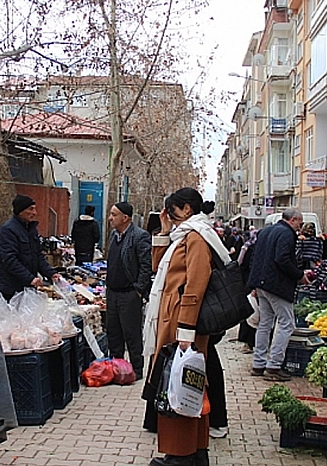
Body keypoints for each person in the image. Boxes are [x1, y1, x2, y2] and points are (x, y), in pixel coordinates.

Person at [143, 188, 229, 466]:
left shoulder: (197, 237)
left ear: (188, 209)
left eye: (172, 210)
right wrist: (164, 230)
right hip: (173, 318)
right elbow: (160, 269)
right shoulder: (183, 235)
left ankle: (182, 454)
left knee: (181, 386)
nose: (168, 215)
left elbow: (196, 284)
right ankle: (191, 451)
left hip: (181, 322)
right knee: (183, 384)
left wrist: (186, 330)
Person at [247, 208, 308, 382]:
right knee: (286, 323)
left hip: (262, 283)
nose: (300, 228)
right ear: (294, 219)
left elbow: (255, 257)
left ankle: (258, 363)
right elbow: (282, 259)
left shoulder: (266, 231)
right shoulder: (287, 234)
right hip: (277, 285)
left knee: (264, 323)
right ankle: (274, 366)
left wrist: (254, 283)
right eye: (300, 223)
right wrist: (299, 275)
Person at [105, 202, 152, 380]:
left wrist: (138, 290)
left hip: (129, 293)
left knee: (131, 333)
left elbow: (146, 266)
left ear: (125, 218)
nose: (110, 218)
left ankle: (137, 369)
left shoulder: (139, 236)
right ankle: (117, 368)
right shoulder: (113, 236)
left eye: (114, 215)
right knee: (113, 331)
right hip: (112, 292)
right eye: (110, 214)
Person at [0, 194, 61, 300]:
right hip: (12, 289)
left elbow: (38, 256)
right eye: (31, 209)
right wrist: (30, 278)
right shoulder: (8, 230)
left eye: (35, 209)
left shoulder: (31, 230)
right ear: (20, 211)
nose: (34, 213)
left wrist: (51, 273)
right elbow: (9, 260)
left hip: (29, 287)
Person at [236, 229, 260, 354]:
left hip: (247, 283)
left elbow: (239, 264)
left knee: (251, 314)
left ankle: (249, 342)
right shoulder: (255, 249)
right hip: (252, 284)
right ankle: (251, 342)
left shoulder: (247, 247)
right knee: (253, 314)